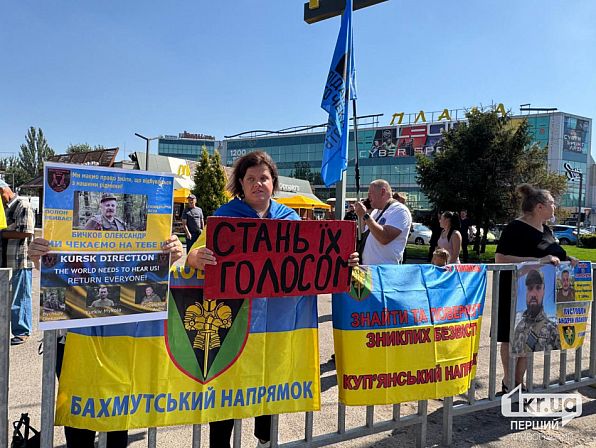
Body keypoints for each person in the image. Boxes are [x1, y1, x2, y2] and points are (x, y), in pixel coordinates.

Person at [187, 151, 358, 448]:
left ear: (273, 182)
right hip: (235, 325)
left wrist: (343, 261)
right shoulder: (224, 217)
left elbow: (316, 260)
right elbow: (193, 256)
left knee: (269, 386)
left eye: (263, 178)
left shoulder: (290, 219)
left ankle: (264, 440)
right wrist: (194, 257)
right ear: (241, 184)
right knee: (227, 389)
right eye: (250, 179)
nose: (258, 184)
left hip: (279, 324)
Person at [29, 234, 183, 448]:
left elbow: (147, 273)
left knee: (116, 416)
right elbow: (56, 268)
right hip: (72, 338)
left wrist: (167, 258)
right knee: (79, 418)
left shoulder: (134, 233)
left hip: (121, 337)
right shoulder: (72, 230)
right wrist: (40, 257)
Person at [495, 183, 576, 393]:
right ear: (540, 207)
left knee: (529, 338)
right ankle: (509, 383)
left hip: (539, 294)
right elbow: (500, 258)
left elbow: (552, 254)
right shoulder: (515, 227)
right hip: (514, 291)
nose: (555, 206)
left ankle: (518, 383)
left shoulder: (546, 230)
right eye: (552, 203)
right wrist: (538, 261)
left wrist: (568, 258)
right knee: (511, 336)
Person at [0, 179, 35, 346]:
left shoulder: (22, 205)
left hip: (19, 260)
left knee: (20, 297)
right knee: (7, 297)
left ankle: (22, 331)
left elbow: (26, 232)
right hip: (5, 260)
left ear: (3, 191)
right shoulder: (4, 208)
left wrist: (2, 233)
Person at [353, 179, 411, 265]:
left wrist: (365, 215)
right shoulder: (375, 212)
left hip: (385, 270)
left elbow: (384, 238)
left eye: (370, 193)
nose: (368, 197)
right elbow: (364, 234)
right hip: (368, 269)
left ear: (383, 192)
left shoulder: (399, 210)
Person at [512, 269, 561, 353]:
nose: (533, 294)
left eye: (538, 288)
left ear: (543, 291)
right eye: (530, 288)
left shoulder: (552, 330)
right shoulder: (519, 326)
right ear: (526, 292)